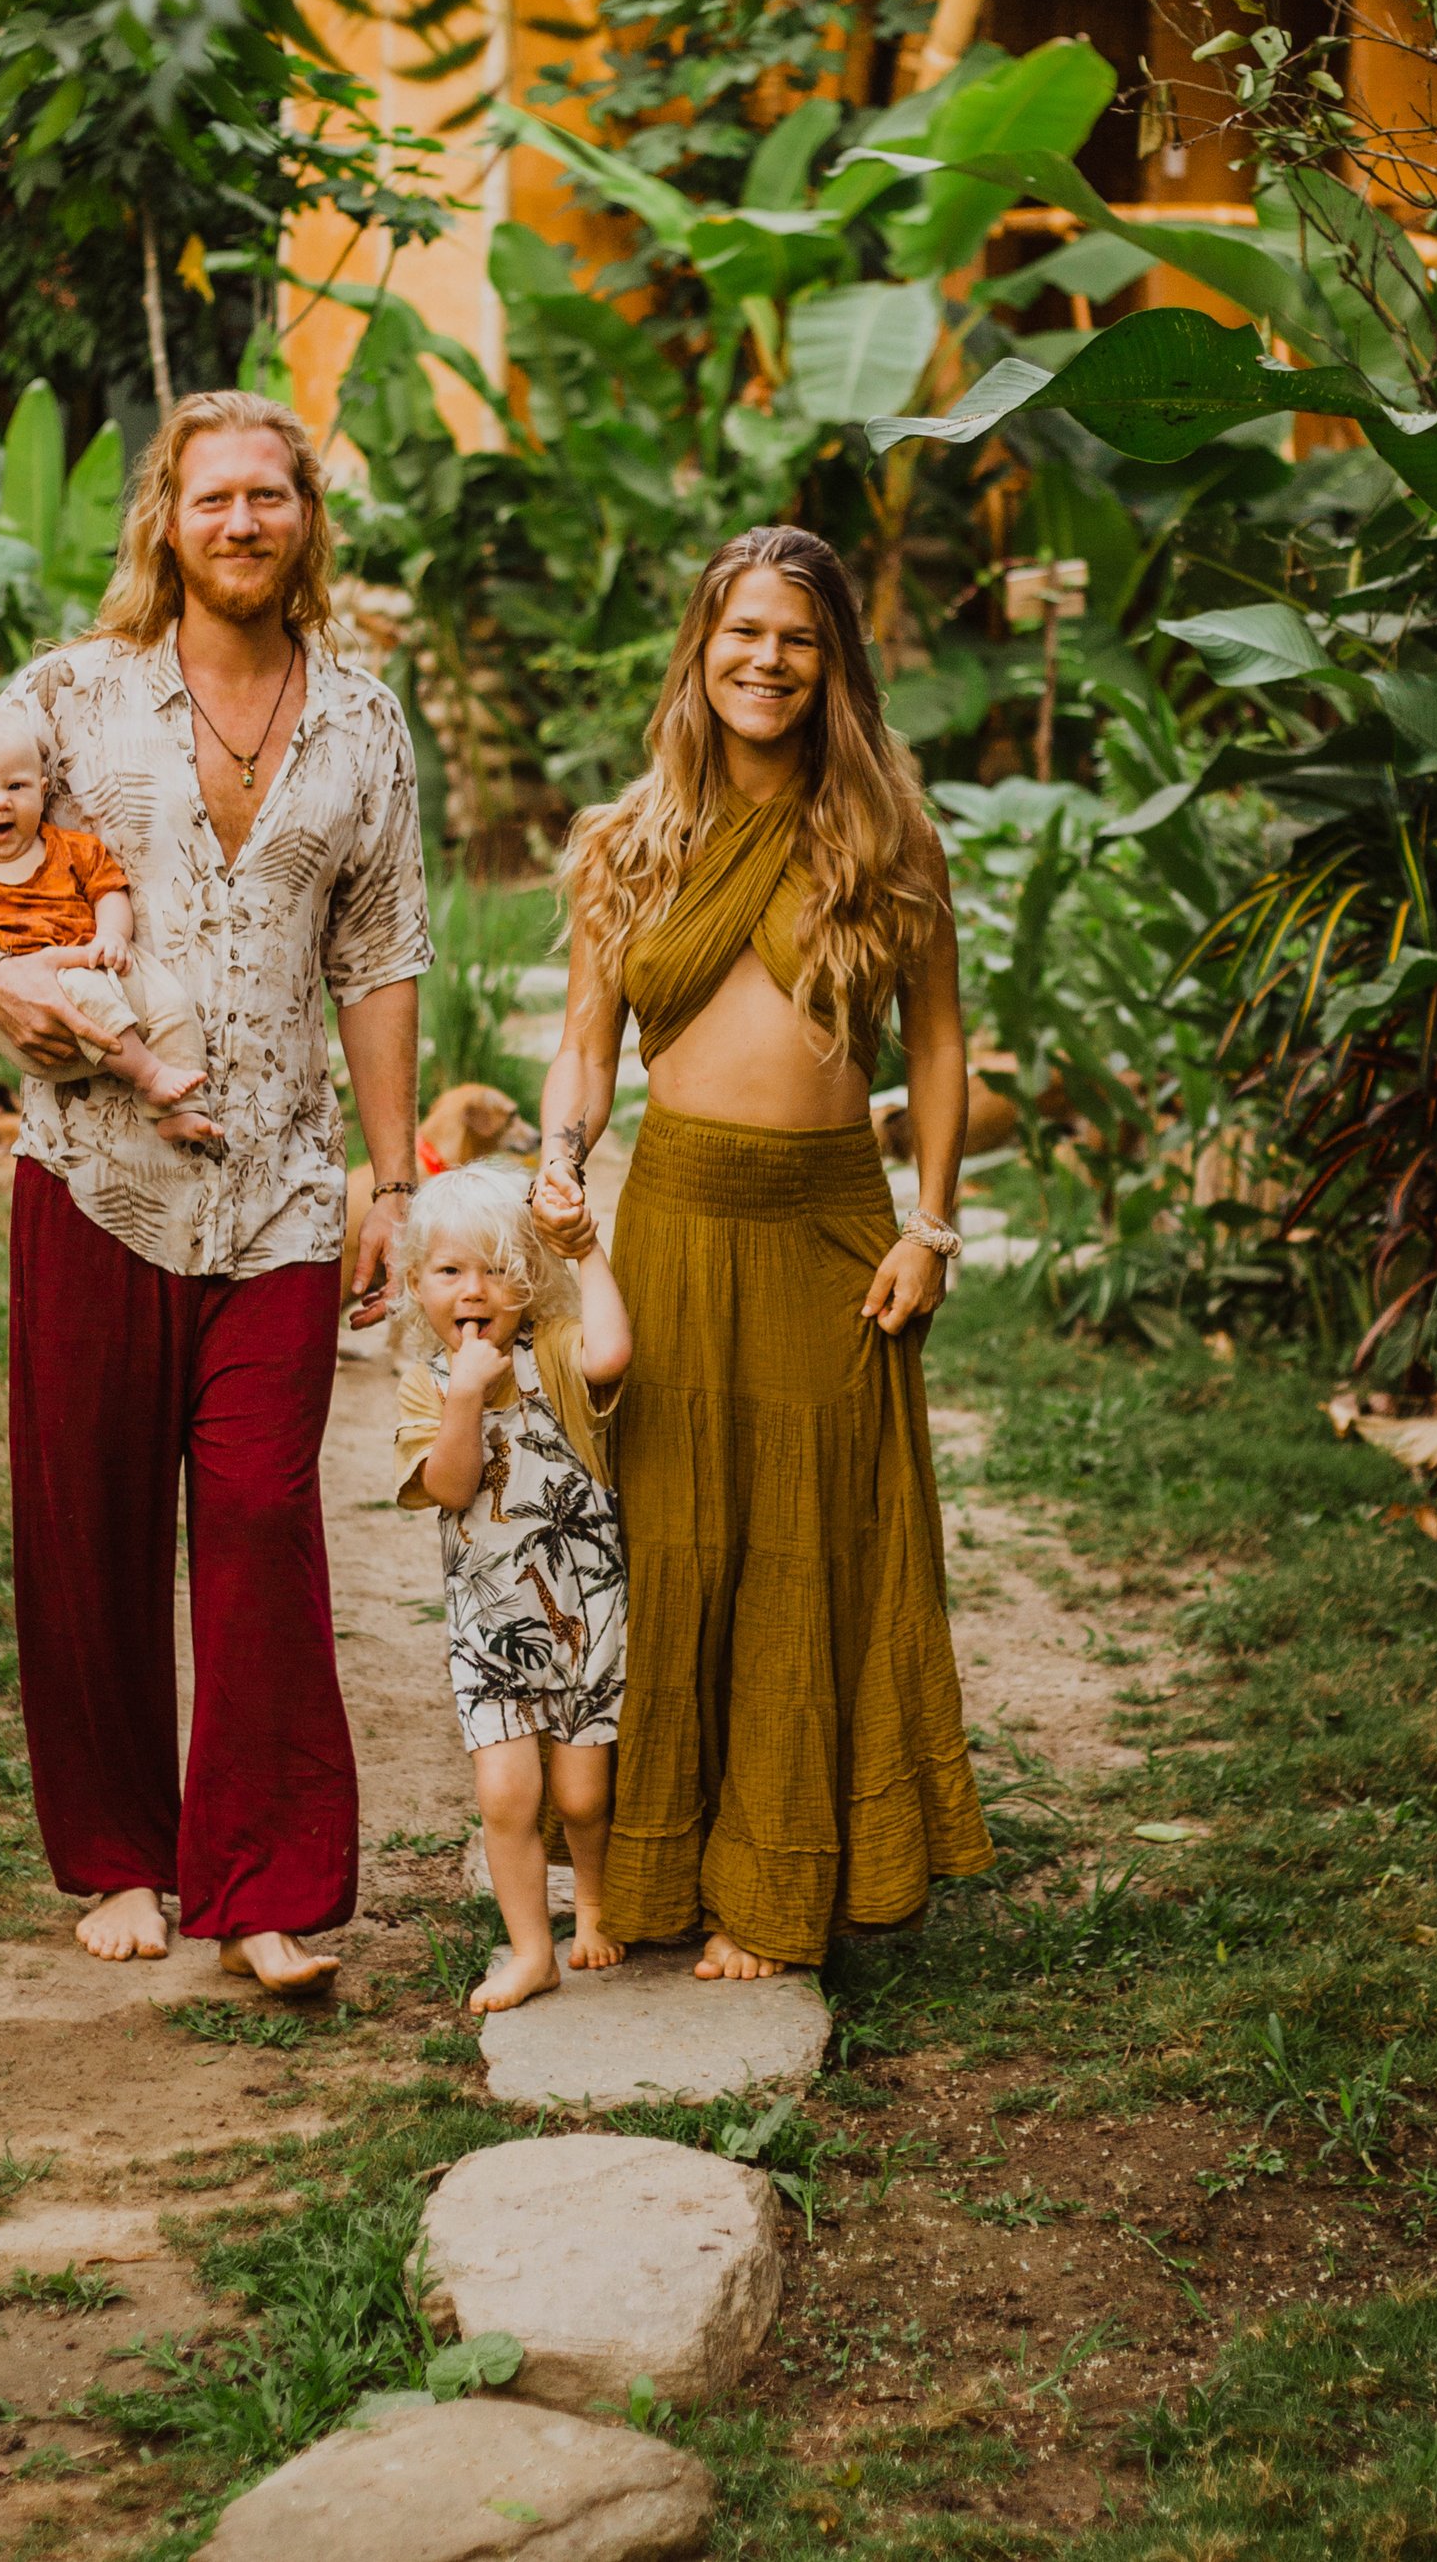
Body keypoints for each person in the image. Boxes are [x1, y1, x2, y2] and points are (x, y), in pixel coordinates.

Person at [0, 389, 431, 1996]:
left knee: (263, 1517)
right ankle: (120, 1854)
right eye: (214, 501)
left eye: (271, 497)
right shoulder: (73, 696)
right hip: (93, 1172)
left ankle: (261, 1882)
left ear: (305, 520)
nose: (244, 524)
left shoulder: (364, 724)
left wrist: (391, 1179)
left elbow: (382, 955)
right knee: (91, 1522)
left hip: (276, 1192)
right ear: (166, 524)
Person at [538, 522, 991, 1981]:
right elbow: (585, 1048)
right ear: (701, 650)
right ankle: (658, 1870)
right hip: (673, 1211)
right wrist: (558, 1161)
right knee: (673, 1545)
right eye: (743, 632)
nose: (767, 660)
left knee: (811, 1545)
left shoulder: (885, 835)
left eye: (799, 637)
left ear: (835, 663)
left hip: (829, 1224)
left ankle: (781, 1880)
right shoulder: (629, 839)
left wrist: (932, 1227)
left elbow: (935, 1044)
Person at [391, 1161, 633, 2011]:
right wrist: (464, 1400)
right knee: (506, 1794)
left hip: (586, 1613)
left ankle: (592, 1904)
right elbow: (454, 1488)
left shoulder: (554, 1355)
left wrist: (588, 1250)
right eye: (451, 1270)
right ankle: (531, 1950)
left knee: (582, 1794)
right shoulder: (427, 1385)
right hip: (490, 1630)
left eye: (498, 1268)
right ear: (415, 1285)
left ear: (530, 1284)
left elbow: (612, 1351)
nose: (475, 1288)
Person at [0, 702, 216, 1143]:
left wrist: (112, 934)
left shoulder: (72, 849)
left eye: (16, 786)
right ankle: (149, 1075)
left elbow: (109, 891)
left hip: (101, 961)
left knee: (171, 1002)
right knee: (83, 990)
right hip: (40, 1006)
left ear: (43, 789)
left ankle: (178, 1110)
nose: (0, 801)